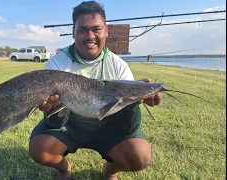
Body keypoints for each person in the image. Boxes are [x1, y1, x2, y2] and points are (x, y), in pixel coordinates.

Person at [29, 1, 162, 180]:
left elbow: (126, 128)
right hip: (69, 127)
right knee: (39, 148)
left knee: (140, 156)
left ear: (106, 31)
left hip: (108, 128)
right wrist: (53, 109)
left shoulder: (119, 67)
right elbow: (55, 125)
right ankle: (63, 168)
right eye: (82, 30)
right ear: (73, 31)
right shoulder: (57, 64)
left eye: (96, 29)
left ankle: (110, 171)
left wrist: (132, 104)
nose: (90, 36)